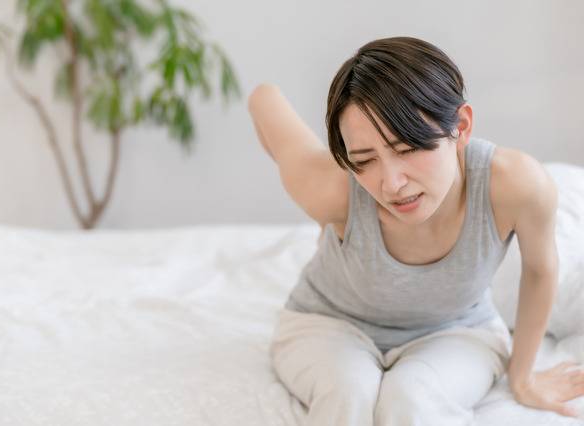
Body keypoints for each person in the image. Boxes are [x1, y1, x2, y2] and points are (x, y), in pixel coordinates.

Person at [247, 36, 584, 425]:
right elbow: (263, 98)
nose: (392, 184)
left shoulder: (516, 185)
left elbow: (540, 270)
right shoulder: (332, 190)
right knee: (348, 393)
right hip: (328, 323)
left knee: (412, 398)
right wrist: (331, 226)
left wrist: (522, 378)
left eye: (407, 149)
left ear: (461, 126)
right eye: (364, 159)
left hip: (457, 330)